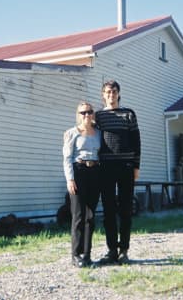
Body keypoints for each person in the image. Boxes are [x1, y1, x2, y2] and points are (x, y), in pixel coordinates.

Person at [95, 80, 141, 265]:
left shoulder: (129, 115)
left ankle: (124, 250)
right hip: (105, 168)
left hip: (126, 168)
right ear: (103, 95)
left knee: (125, 210)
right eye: (107, 92)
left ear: (118, 94)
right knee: (108, 210)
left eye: (114, 91)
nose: (111, 94)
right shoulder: (98, 117)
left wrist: (136, 167)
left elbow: (137, 142)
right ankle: (111, 250)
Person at [62, 101, 101, 268]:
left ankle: (87, 254)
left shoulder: (98, 133)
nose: (86, 115)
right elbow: (67, 158)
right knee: (78, 216)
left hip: (95, 173)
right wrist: (70, 179)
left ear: (93, 113)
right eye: (83, 112)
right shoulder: (71, 133)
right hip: (79, 172)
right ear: (78, 115)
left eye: (89, 112)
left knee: (90, 216)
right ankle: (75, 255)